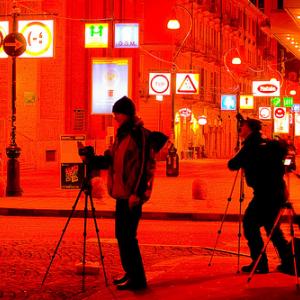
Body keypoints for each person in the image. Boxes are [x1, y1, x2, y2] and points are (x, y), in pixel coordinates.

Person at [102, 96, 167, 290]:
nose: (115, 117)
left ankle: (138, 279)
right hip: (121, 193)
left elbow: (142, 167)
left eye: (118, 114)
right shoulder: (123, 134)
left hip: (131, 195)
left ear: (127, 114)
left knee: (128, 236)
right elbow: (114, 160)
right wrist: (95, 160)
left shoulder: (138, 135)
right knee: (121, 235)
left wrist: (136, 193)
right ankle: (130, 273)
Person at [227, 118, 293, 274]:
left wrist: (242, 155)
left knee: (250, 225)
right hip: (278, 192)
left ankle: (260, 263)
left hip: (264, 194)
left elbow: (232, 164)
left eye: (242, 127)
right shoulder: (270, 143)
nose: (240, 129)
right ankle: (288, 261)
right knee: (272, 228)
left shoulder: (250, 146)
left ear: (249, 129)